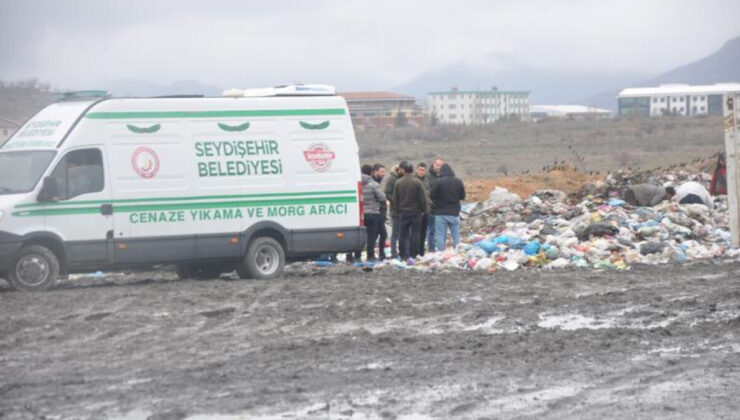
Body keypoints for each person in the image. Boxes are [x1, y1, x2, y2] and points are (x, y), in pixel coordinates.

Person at [393, 162, 428, 261]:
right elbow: (423, 199)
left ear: (403, 170)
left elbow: (396, 199)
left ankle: (403, 255)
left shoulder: (398, 183)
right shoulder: (417, 182)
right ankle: (414, 254)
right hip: (416, 212)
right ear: (412, 170)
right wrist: (423, 210)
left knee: (403, 234)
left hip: (403, 212)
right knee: (415, 234)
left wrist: (398, 211)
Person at [431, 163, 466, 251]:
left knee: (440, 235)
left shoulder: (438, 182)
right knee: (456, 235)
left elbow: (432, 196)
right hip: (454, 213)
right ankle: (458, 252)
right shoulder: (458, 181)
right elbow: (462, 196)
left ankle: (441, 253)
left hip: (440, 213)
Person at [360, 164, 385, 261]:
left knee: (360, 236)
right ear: (371, 172)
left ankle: (356, 256)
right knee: (371, 236)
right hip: (373, 214)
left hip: (361, 214)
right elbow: (382, 198)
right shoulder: (374, 184)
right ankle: (370, 256)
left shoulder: (356, 183)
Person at [384, 163, 405, 259]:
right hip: (396, 210)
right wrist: (395, 201)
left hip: (403, 209)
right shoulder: (392, 179)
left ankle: (401, 251)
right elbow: (387, 193)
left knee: (402, 233)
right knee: (396, 233)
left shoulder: (402, 179)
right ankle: (394, 252)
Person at [427, 157, 444, 251]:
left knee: (440, 231)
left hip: (441, 209)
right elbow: (427, 193)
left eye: (441, 166)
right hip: (432, 209)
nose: (439, 167)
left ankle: (440, 249)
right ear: (433, 164)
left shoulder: (442, 176)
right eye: (437, 165)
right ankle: (431, 249)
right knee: (431, 231)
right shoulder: (428, 177)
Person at [415, 162, 432, 256]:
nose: (421, 172)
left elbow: (430, 193)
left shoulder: (427, 180)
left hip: (426, 210)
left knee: (423, 232)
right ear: (417, 170)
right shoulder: (413, 180)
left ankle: (421, 251)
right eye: (420, 170)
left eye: (423, 170)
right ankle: (415, 251)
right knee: (415, 232)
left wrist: (429, 203)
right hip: (416, 211)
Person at [372, 163, 388, 260]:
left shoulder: (377, 182)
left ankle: (380, 254)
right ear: (375, 172)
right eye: (381, 172)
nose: (383, 174)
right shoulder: (374, 183)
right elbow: (381, 198)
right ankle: (377, 254)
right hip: (376, 213)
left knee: (382, 234)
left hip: (379, 213)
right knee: (376, 235)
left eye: (384, 172)